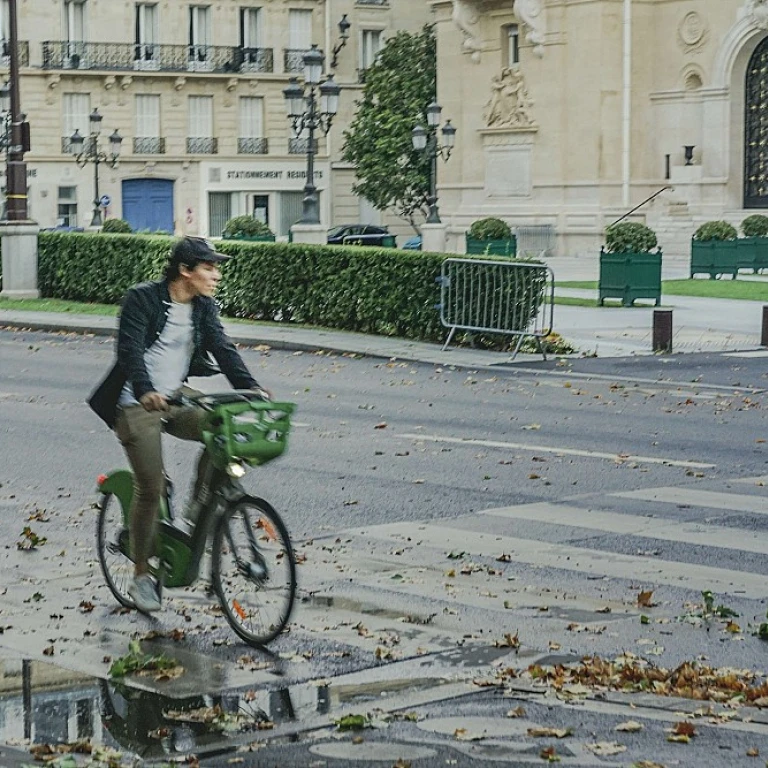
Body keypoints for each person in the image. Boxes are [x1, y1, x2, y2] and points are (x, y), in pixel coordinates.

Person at [88, 236, 263, 613]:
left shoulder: (202, 307)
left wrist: (251, 389)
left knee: (223, 429)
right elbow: (130, 350)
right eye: (209, 267)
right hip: (136, 402)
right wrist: (146, 389)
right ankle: (140, 575)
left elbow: (222, 347)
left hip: (177, 397)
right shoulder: (142, 299)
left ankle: (197, 509)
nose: (216, 275)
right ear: (185, 270)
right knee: (150, 487)